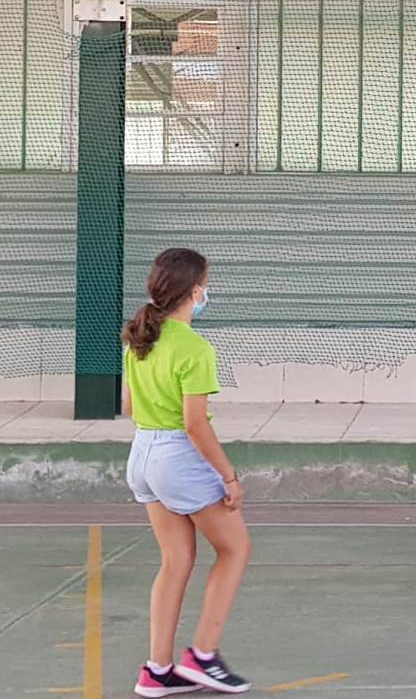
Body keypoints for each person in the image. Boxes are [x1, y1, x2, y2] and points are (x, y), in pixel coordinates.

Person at [123, 248, 252, 697]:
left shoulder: (141, 337)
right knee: (235, 548)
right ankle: (203, 655)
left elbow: (129, 406)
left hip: (142, 454)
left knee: (175, 560)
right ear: (195, 291)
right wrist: (229, 477)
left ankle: (157, 670)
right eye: (206, 285)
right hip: (178, 457)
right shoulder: (194, 347)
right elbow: (194, 423)